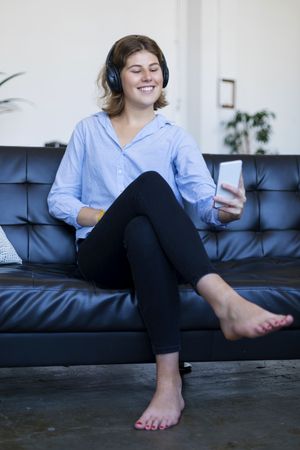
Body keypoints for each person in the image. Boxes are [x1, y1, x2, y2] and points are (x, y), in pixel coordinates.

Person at [48, 34, 293, 431]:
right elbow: (59, 199)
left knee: (144, 229)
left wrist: (227, 210)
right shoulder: (88, 131)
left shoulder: (175, 137)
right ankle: (224, 300)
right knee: (147, 188)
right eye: (135, 69)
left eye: (155, 68)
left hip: (153, 257)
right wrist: (109, 214)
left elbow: (202, 202)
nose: (148, 77)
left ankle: (168, 385)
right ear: (116, 78)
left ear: (164, 76)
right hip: (101, 255)